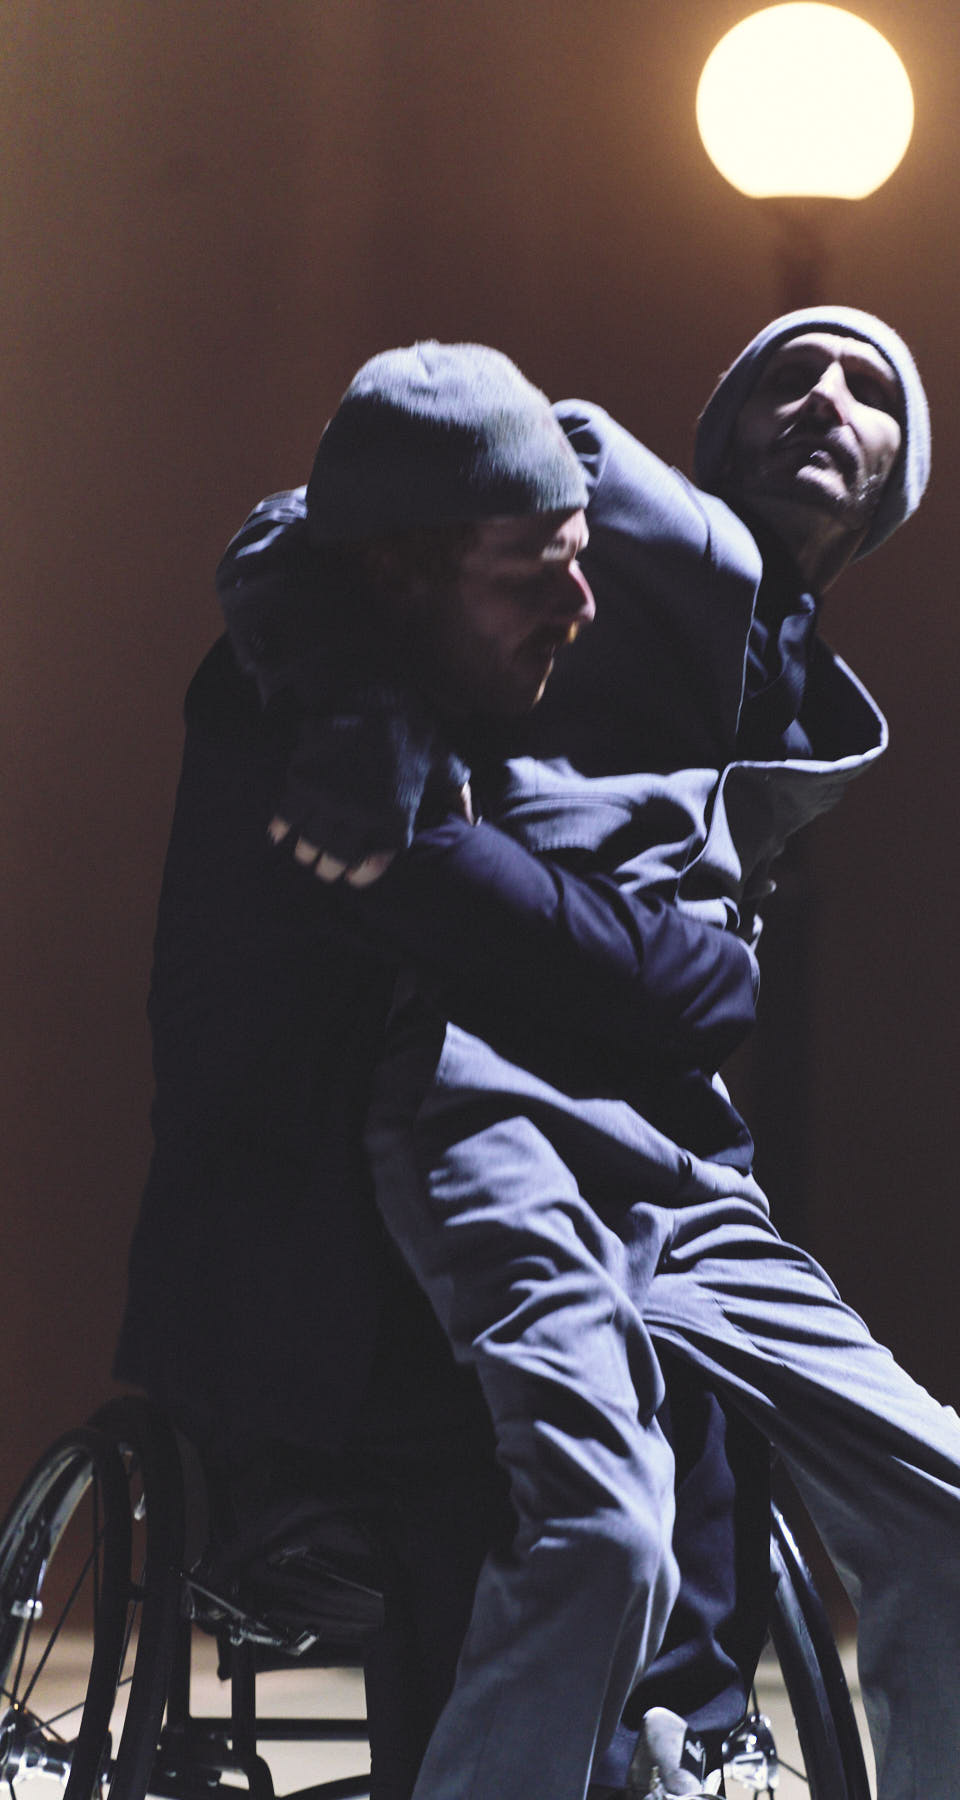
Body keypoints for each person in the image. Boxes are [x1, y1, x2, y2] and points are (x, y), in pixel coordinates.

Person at [243, 316, 960, 1800]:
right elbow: (308, 527)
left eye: (871, 392)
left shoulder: (799, 681)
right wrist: (358, 720)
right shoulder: (605, 487)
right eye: (791, 376)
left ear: (895, 483)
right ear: (722, 428)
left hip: (680, 1145)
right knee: (603, 1537)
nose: (828, 400)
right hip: (492, 1088)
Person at [114, 344, 770, 1797]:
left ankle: (680, 1741)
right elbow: (612, 966)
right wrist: (700, 970)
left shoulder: (417, 694)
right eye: (535, 571)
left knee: (689, 1347)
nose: (580, 608)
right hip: (307, 1306)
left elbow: (641, 971)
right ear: (404, 574)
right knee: (518, 1475)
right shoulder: (324, 746)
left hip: (439, 1255)